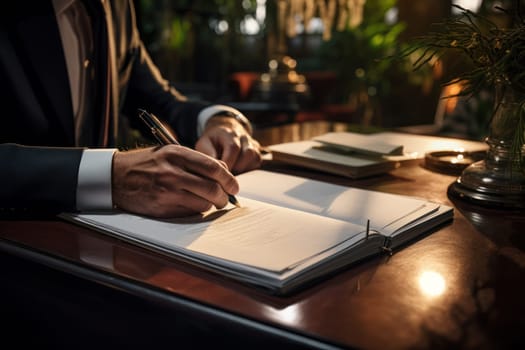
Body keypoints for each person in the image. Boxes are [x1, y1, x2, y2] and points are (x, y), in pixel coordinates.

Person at [0, 0, 262, 218]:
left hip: (104, 243)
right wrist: (111, 177)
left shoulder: (116, 7)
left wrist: (220, 120)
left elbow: (157, 99)